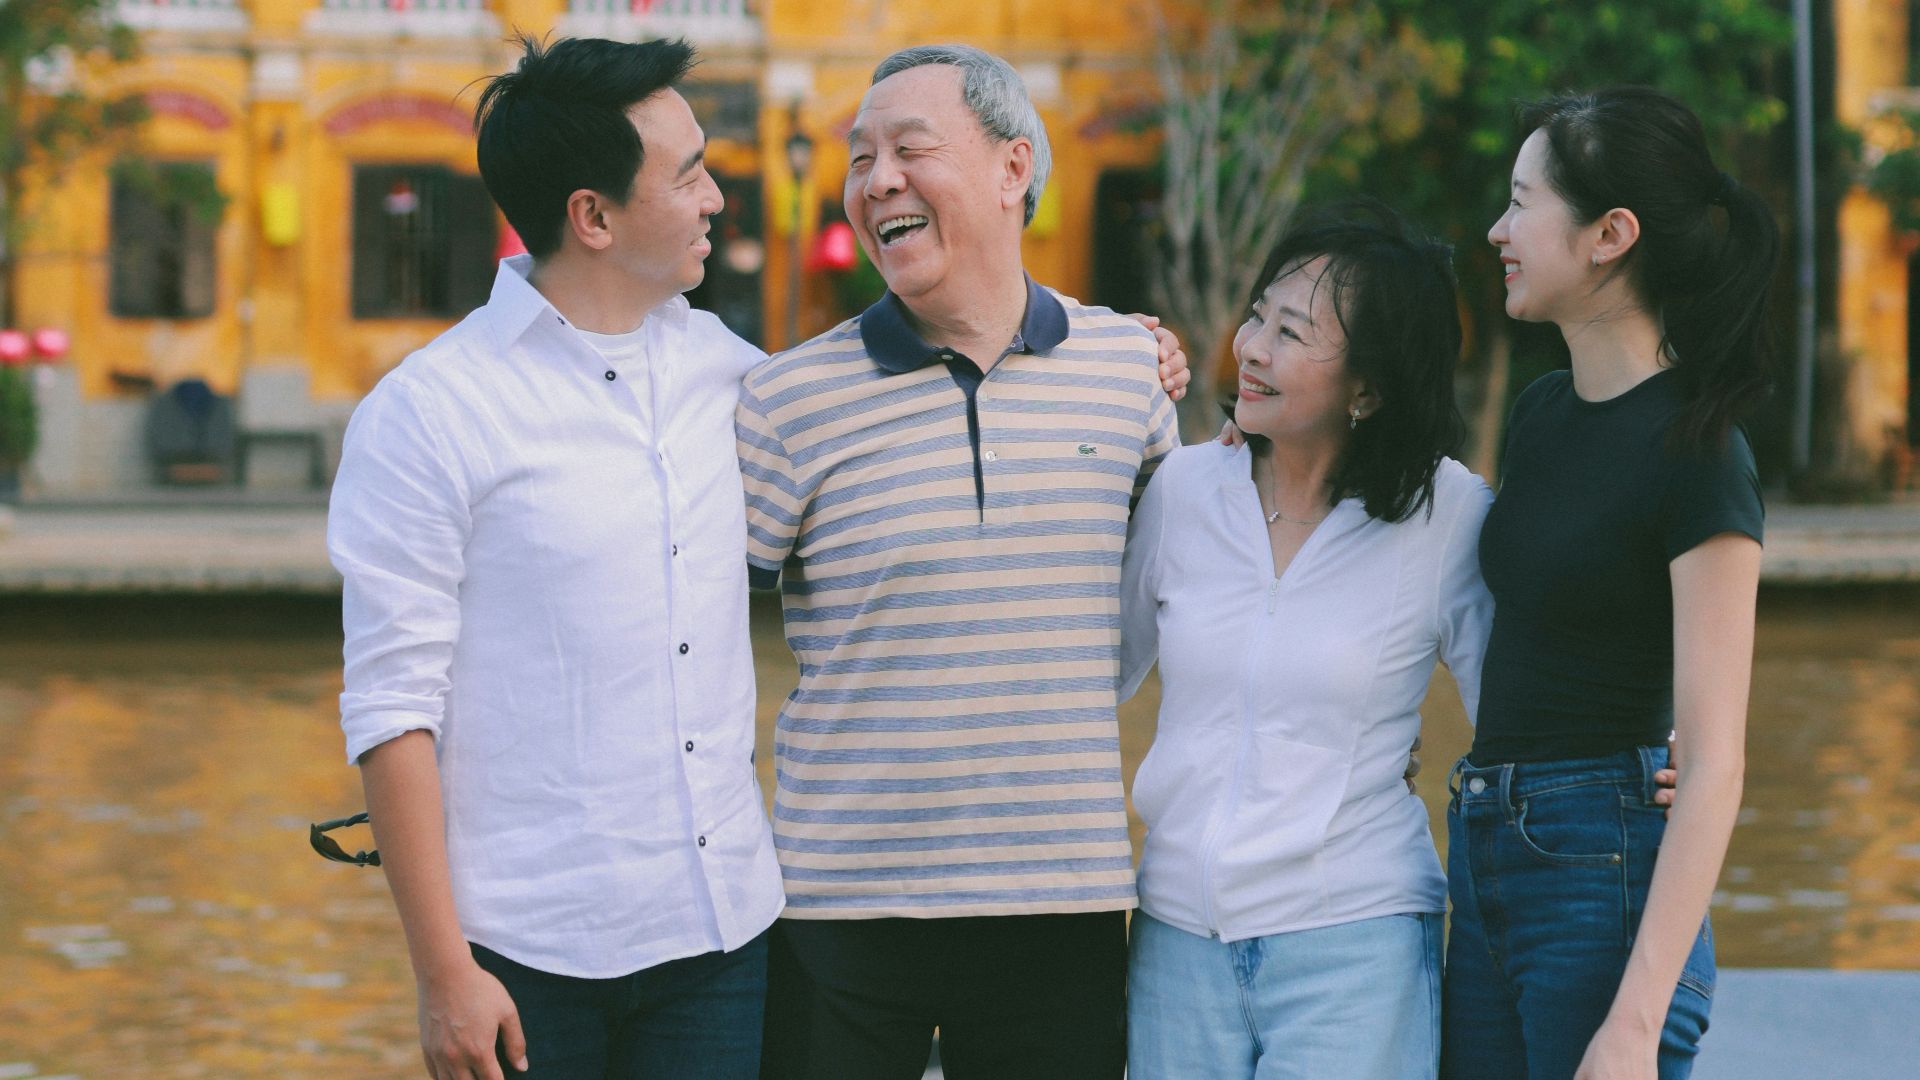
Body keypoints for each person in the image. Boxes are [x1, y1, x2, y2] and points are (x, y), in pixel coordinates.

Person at [328, 37, 784, 1080]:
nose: (717, 196)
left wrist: (1100, 350)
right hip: (523, 956)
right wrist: (444, 971)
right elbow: (393, 705)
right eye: (690, 173)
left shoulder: (738, 378)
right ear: (595, 216)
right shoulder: (429, 412)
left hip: (722, 940)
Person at [734, 44, 1180, 1080]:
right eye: (859, 158)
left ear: (1013, 167)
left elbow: (1204, 586)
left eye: (909, 148)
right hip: (836, 905)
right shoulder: (785, 400)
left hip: (1058, 901)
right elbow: (690, 635)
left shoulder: (1128, 373)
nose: (876, 179)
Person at [1442, 87, 1775, 1080]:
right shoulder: (1543, 412)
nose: (1498, 230)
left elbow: (1715, 761)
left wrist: (1636, 1022)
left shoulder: (1701, 451)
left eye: (1522, 201)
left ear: (1609, 235)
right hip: (1487, 839)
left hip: (1602, 869)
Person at [1117, 204, 1488, 1079]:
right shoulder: (1180, 490)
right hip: (1175, 940)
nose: (1250, 346)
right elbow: (1092, 670)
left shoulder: (1447, 516)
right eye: (1257, 315)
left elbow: (1520, 706)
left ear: (1369, 386)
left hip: (1353, 941)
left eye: (1292, 332)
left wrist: (1644, 758)